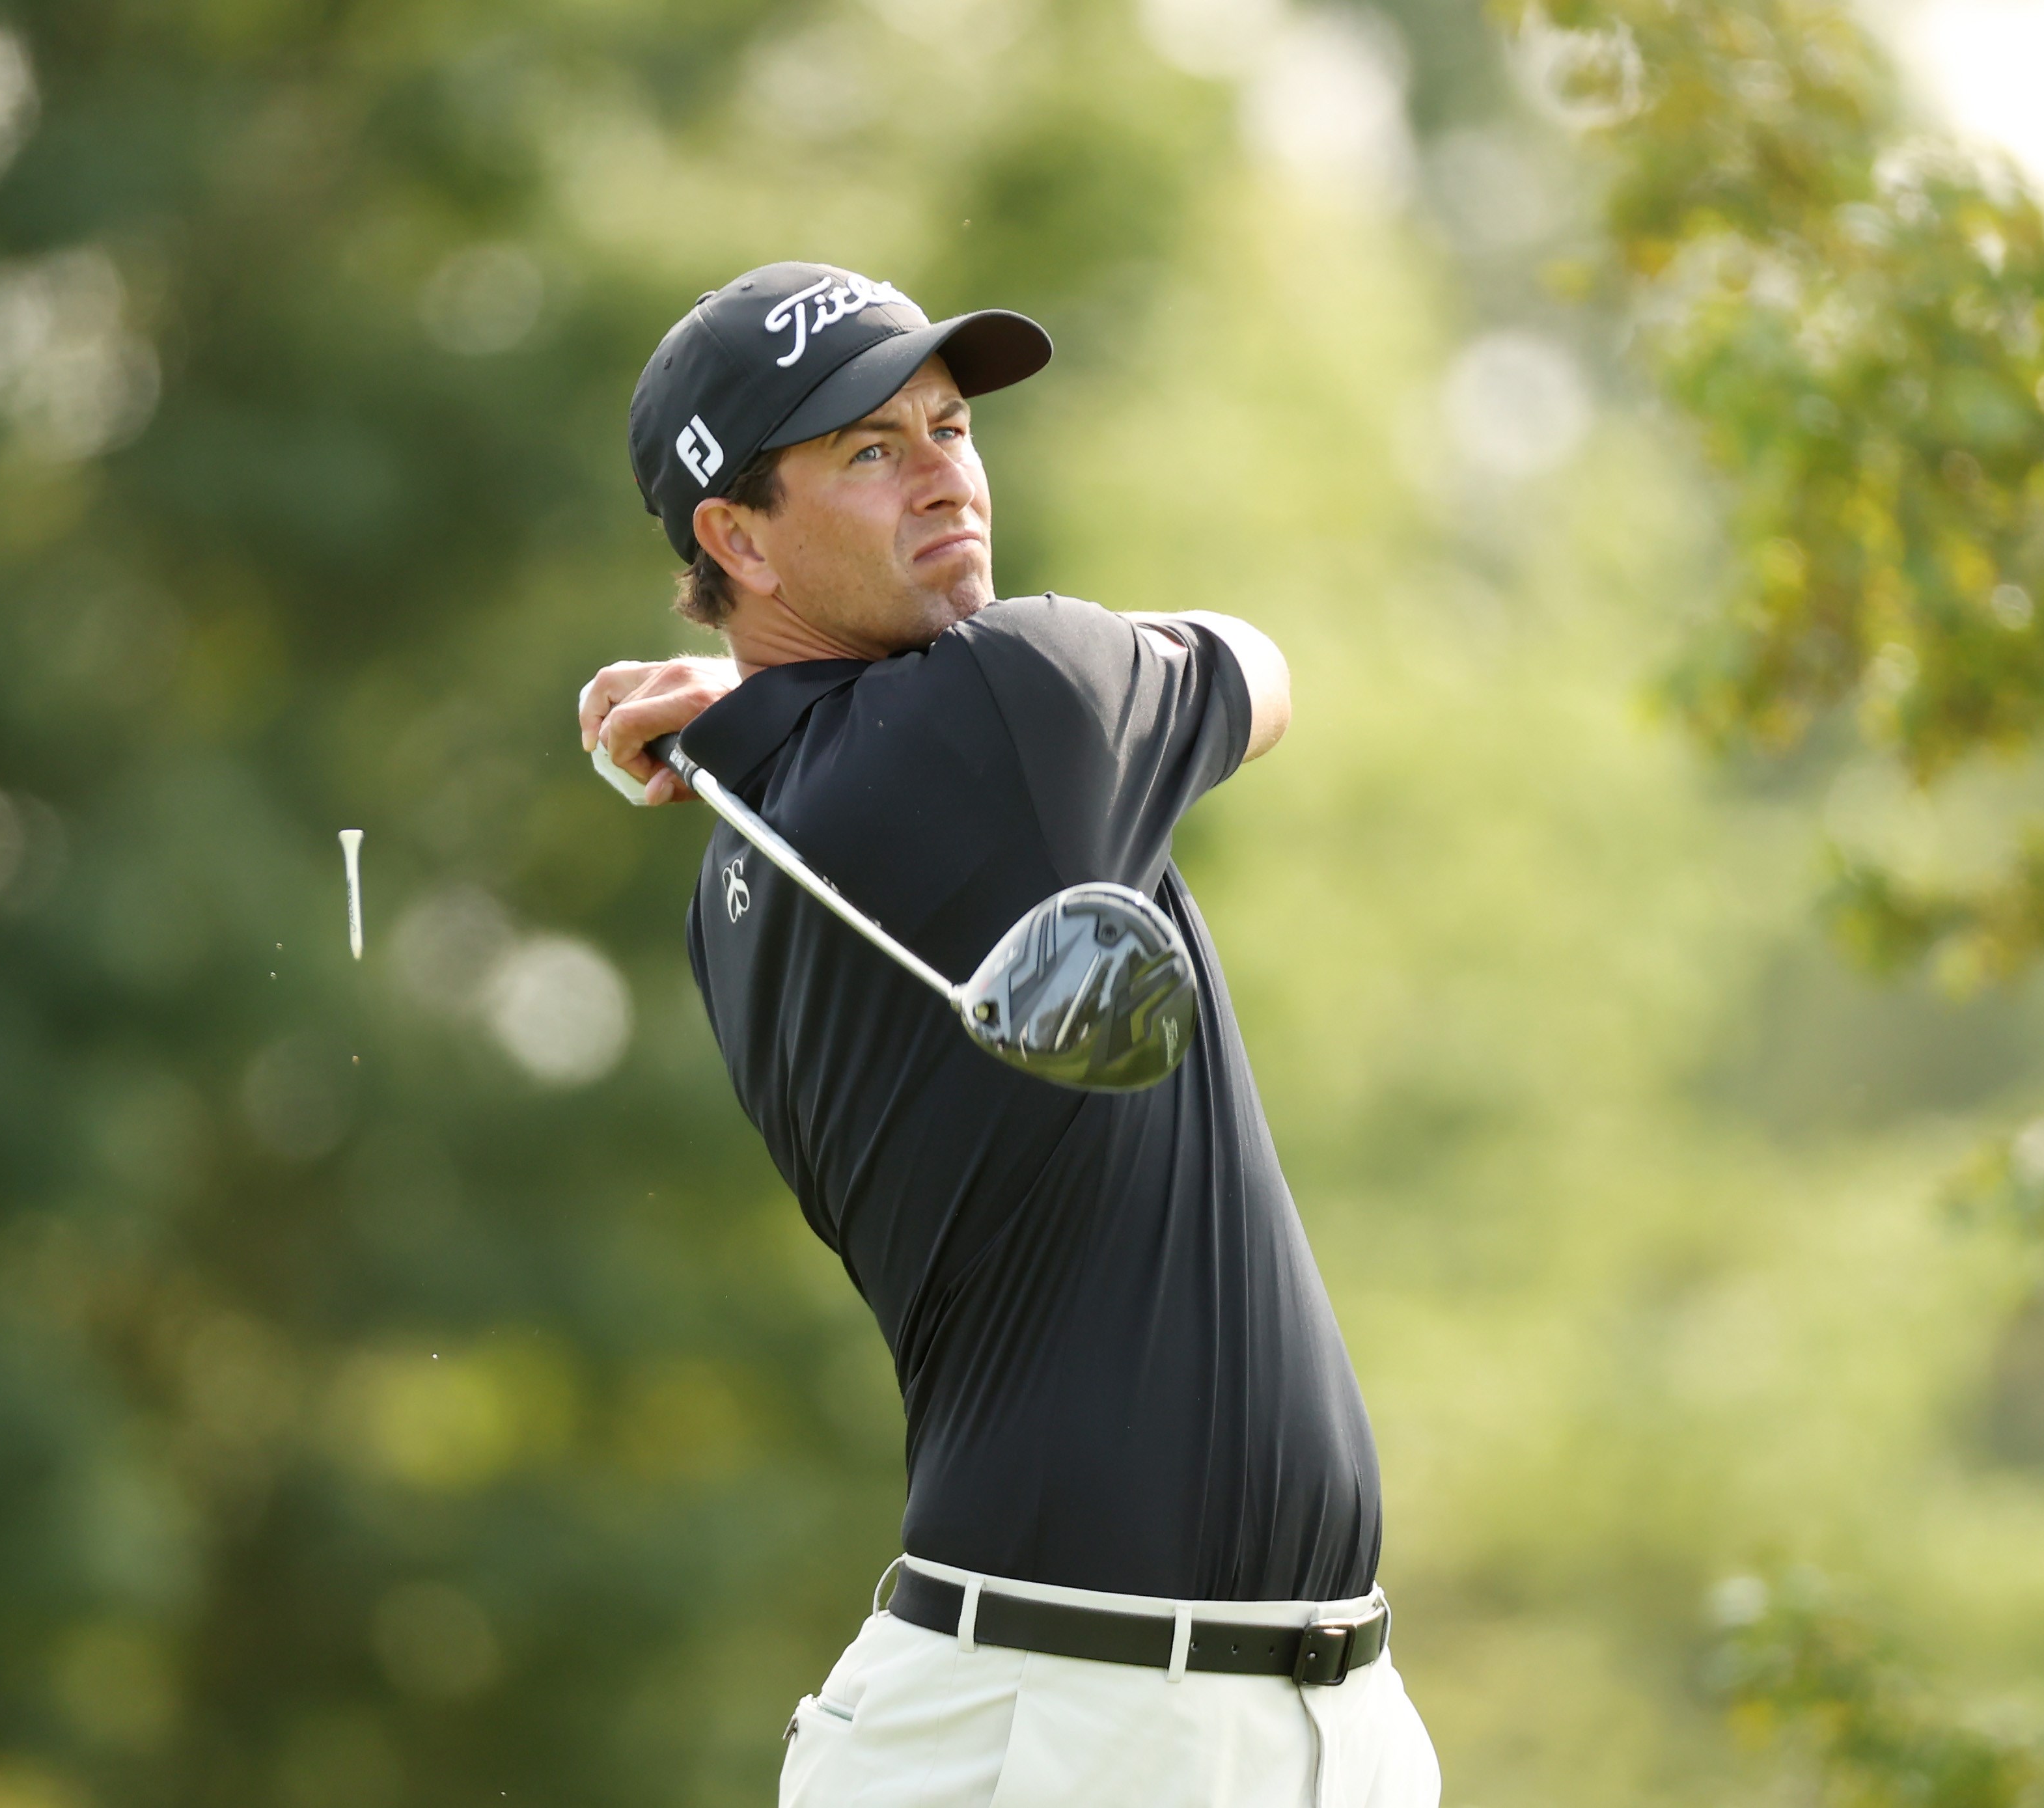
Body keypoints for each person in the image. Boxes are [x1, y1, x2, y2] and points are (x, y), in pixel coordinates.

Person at [575, 262, 1438, 1807]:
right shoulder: (1010, 707)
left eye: (949, 426)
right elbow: (1258, 663)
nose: (945, 481)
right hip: (1085, 1726)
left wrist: (738, 699)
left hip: (1217, 1713)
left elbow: (853, 745)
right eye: (866, 451)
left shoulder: (738, 863)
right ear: (734, 537)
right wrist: (743, 701)